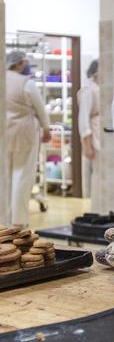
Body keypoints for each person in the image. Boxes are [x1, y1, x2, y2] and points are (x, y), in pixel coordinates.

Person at [5, 49, 51, 225]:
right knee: (22, 175)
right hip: (24, 132)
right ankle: (18, 220)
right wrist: (46, 129)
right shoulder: (27, 83)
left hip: (4, 132)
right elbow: (40, 108)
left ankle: (5, 217)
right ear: (18, 64)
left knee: (5, 177)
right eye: (25, 63)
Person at [78, 58, 101, 211]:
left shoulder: (102, 87)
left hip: (103, 132)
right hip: (95, 134)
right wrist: (86, 145)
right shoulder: (88, 89)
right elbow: (83, 119)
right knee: (98, 174)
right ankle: (98, 209)